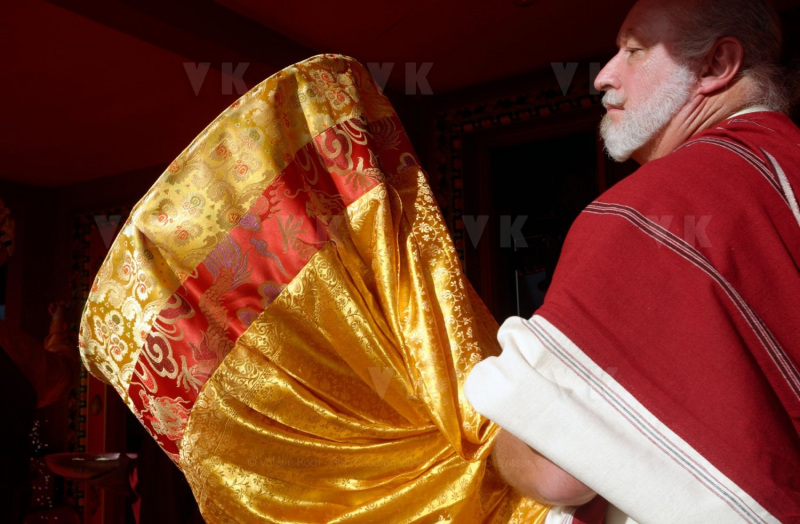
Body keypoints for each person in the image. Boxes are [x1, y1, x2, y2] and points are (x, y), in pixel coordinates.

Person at [465, 0, 800, 522]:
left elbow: (558, 471)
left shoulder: (648, 208)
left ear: (716, 66)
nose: (603, 77)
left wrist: (499, 435)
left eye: (635, 50)